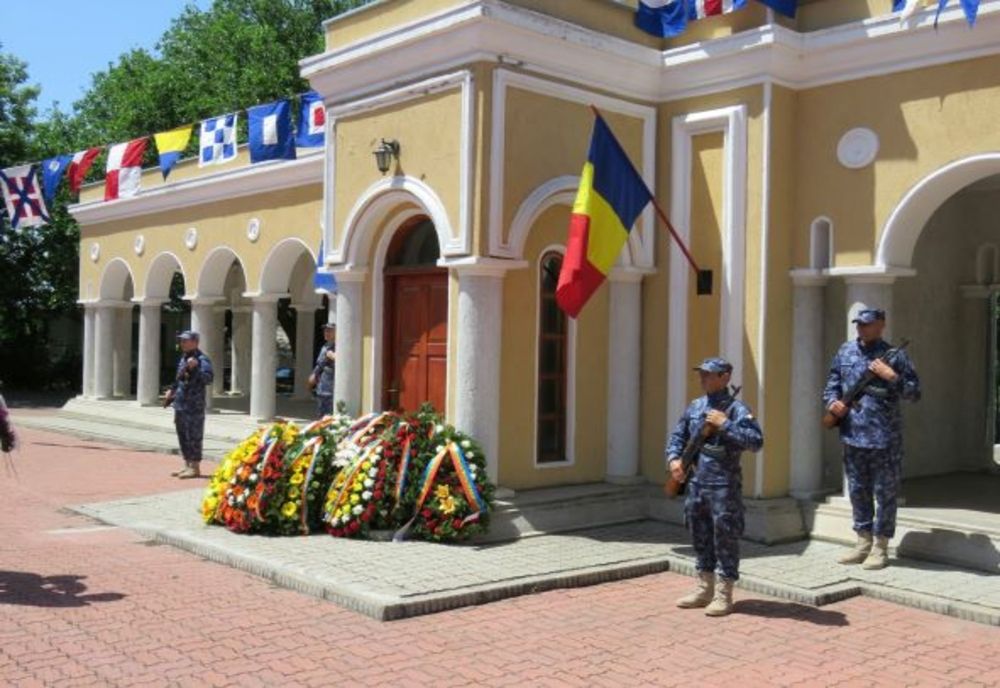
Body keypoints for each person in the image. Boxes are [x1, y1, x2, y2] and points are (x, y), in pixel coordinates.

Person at [823, 308, 920, 570]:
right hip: (853, 434)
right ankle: (862, 541)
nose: (861, 329)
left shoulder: (895, 357)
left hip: (884, 439)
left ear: (881, 325)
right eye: (859, 324)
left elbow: (914, 393)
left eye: (867, 324)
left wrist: (892, 378)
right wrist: (833, 403)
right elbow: (833, 381)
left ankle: (880, 546)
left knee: (885, 494)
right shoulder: (846, 351)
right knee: (857, 490)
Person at [666, 357, 763, 617]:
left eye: (709, 375)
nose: (703, 379)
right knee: (699, 534)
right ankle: (704, 588)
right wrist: (674, 460)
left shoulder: (737, 410)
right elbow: (678, 436)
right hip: (697, 483)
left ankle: (724, 593)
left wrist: (725, 424)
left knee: (725, 538)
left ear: (725, 377)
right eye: (702, 374)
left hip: (724, 486)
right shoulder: (696, 406)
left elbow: (755, 441)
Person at [164, 331, 213, 479]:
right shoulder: (184, 358)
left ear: (195, 342)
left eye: (186, 341)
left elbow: (208, 379)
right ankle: (186, 464)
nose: (182, 343)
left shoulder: (202, 359)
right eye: (181, 341)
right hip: (180, 404)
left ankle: (195, 467)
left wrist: (196, 368)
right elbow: (179, 379)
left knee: (194, 435)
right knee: (182, 434)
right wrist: (171, 391)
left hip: (194, 405)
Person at [308, 322, 336, 418]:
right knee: (321, 415)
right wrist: (314, 376)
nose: (326, 333)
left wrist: (334, 357)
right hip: (322, 387)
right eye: (325, 330)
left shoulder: (339, 347)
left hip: (331, 388)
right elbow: (320, 365)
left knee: (329, 416)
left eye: (330, 331)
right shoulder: (326, 346)